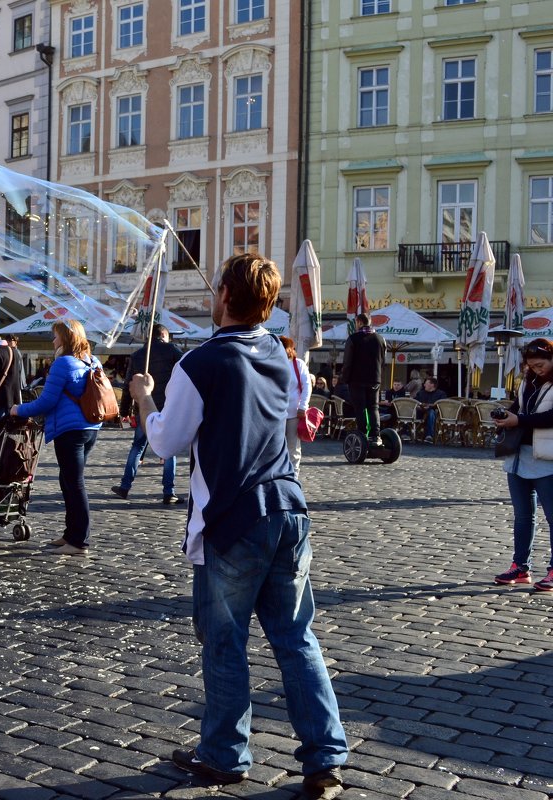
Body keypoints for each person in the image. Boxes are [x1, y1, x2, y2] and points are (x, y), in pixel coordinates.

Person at [130, 253, 347, 795]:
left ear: (224, 295)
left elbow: (166, 441)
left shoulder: (198, 364)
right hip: (289, 509)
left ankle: (226, 753)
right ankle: (325, 759)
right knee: (296, 638)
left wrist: (142, 398)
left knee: (224, 642)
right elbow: (294, 403)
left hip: (234, 520)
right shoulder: (277, 351)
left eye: (217, 289)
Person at [10, 320, 104, 555]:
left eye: (56, 336)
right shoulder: (92, 360)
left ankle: (79, 541)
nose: (53, 341)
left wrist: (17, 410)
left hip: (70, 430)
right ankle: (70, 534)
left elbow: (46, 401)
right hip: (90, 428)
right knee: (68, 480)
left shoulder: (63, 363)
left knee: (74, 483)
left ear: (65, 338)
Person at [494, 338, 553, 591]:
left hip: (548, 459)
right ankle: (520, 567)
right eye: (532, 366)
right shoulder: (527, 382)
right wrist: (506, 415)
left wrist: (519, 421)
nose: (537, 369)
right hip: (519, 456)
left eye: (540, 365)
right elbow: (519, 408)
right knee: (522, 516)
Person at [113, 324, 182, 505]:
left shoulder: (138, 356)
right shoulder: (173, 351)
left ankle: (125, 487)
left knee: (137, 447)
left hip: (144, 408)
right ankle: (169, 491)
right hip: (167, 407)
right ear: (164, 335)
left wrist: (125, 411)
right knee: (169, 450)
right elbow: (187, 374)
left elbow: (129, 386)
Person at [340, 312, 387, 446]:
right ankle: (375, 436)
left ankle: (362, 434)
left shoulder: (353, 339)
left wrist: (345, 379)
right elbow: (383, 361)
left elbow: (347, 362)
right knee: (373, 407)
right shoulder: (380, 339)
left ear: (359, 322)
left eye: (356, 322)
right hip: (374, 379)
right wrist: (378, 377)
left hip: (356, 379)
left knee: (360, 408)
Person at [281, 335, 312, 475]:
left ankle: (294, 476)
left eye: (286, 347)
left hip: (294, 412)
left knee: (293, 448)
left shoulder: (298, 364)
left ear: (291, 349)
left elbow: (307, 386)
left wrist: (303, 406)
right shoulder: (273, 363)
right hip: (276, 413)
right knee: (276, 448)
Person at [414, 377, 447, 443]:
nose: (424, 385)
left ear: (432, 385)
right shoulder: (420, 393)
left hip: (435, 413)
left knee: (431, 413)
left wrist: (429, 406)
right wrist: (420, 407)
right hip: (421, 411)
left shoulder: (440, 394)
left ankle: (429, 435)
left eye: (426, 383)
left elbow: (443, 404)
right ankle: (407, 433)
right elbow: (414, 402)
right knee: (409, 411)